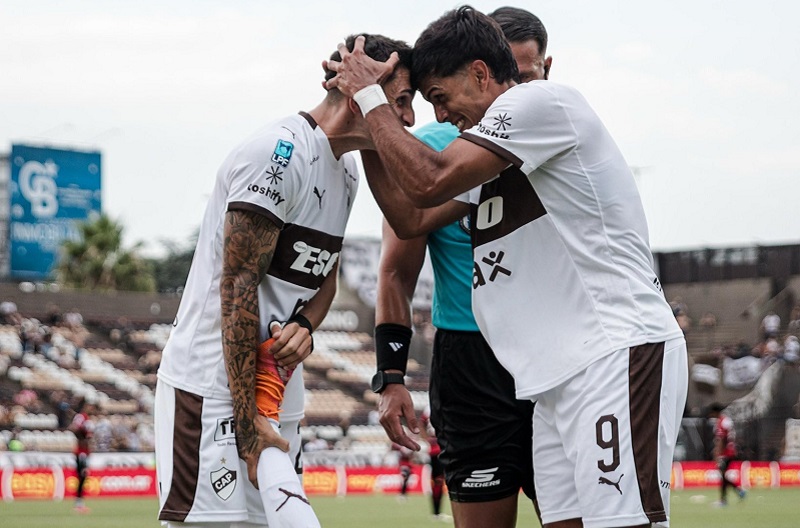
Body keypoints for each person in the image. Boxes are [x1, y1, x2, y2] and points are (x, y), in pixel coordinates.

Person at [326, 6, 688, 527]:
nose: (440, 116)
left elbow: (428, 181)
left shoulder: (540, 103)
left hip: (612, 354)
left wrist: (370, 99)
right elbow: (410, 216)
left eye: (441, 97)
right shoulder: (492, 154)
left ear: (479, 73)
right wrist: (368, 129)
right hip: (554, 378)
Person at [154, 33, 415, 527]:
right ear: (359, 94)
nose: (408, 118)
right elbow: (236, 289)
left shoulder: (348, 173)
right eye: (400, 100)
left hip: (278, 393)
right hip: (214, 390)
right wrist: (247, 421)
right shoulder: (276, 154)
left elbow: (325, 277)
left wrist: (307, 326)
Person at [371, 7, 548, 527]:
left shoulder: (554, 134)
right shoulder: (431, 149)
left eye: (528, 77)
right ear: (482, 70)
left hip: (551, 351)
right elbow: (396, 266)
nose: (516, 95)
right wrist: (391, 376)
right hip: (470, 359)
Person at [708, 403, 746, 506]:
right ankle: (738, 491)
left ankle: (724, 500)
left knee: (723, 475)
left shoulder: (721, 422)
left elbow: (721, 439)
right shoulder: (726, 420)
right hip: (731, 451)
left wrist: (718, 454)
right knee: (723, 475)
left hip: (725, 453)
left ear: (715, 412)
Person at [69, 398, 94, 513]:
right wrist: (82, 437)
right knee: (82, 476)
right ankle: (78, 504)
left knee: (83, 477)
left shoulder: (86, 418)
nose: (91, 408)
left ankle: (80, 503)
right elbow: (74, 428)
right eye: (89, 406)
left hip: (85, 451)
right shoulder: (81, 417)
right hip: (81, 452)